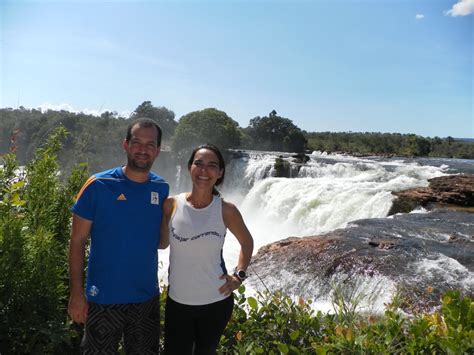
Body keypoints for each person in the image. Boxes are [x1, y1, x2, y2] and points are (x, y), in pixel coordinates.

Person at [68, 118, 169, 354]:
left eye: (150, 144)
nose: (142, 149)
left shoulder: (161, 188)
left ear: (157, 150)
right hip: (103, 298)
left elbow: (162, 243)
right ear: (125, 144)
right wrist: (76, 294)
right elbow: (77, 241)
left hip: (146, 299)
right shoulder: (98, 184)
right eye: (136, 142)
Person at [160, 143, 254, 355]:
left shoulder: (226, 210)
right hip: (178, 303)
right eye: (198, 163)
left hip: (216, 303)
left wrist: (238, 276)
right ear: (189, 167)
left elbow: (247, 242)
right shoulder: (171, 205)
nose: (204, 170)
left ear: (220, 172)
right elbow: (162, 244)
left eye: (212, 165)